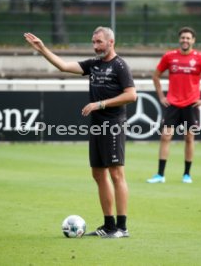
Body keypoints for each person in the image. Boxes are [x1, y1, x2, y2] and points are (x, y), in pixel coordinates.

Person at [24, 27, 136, 238]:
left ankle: (122, 227)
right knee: (98, 173)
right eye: (93, 42)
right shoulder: (93, 64)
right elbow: (64, 66)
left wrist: (100, 104)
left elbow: (131, 95)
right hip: (96, 125)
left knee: (116, 174)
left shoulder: (120, 65)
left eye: (99, 42)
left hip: (113, 125)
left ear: (111, 42)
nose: (95, 46)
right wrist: (42, 49)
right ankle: (109, 225)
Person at [147, 26, 201, 184]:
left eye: (188, 38)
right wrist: (161, 96)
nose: (185, 40)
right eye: (183, 38)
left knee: (189, 138)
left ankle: (187, 174)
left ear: (193, 40)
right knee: (165, 136)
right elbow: (156, 76)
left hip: (191, 105)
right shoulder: (169, 56)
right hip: (172, 103)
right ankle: (160, 175)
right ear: (179, 39)